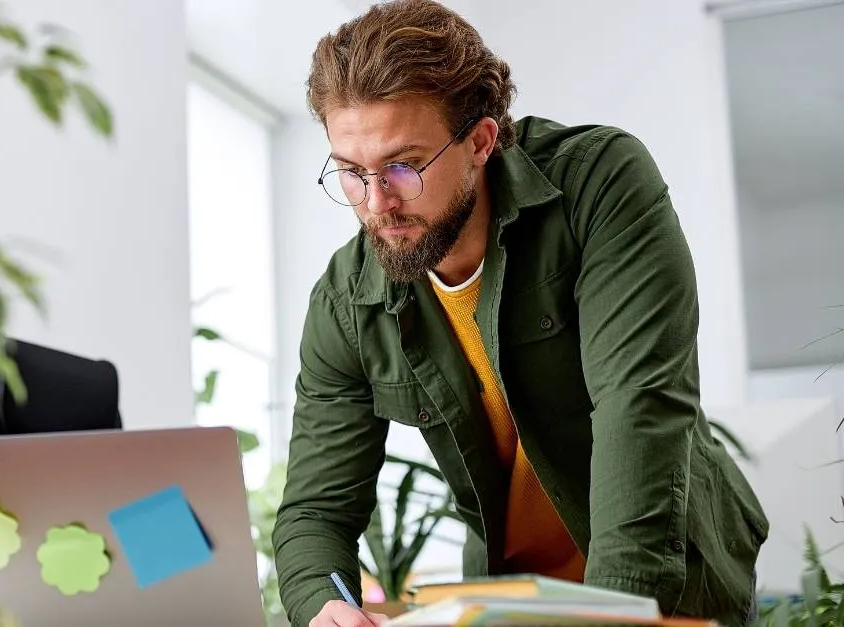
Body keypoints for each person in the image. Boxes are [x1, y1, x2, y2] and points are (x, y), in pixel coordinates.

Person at [271, 2, 769, 626]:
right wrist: (324, 607)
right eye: (350, 172)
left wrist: (609, 612)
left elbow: (639, 404)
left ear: (481, 140)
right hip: (513, 600)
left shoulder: (598, 184)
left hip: (669, 585)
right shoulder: (347, 301)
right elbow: (316, 512)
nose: (376, 202)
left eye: (403, 165)